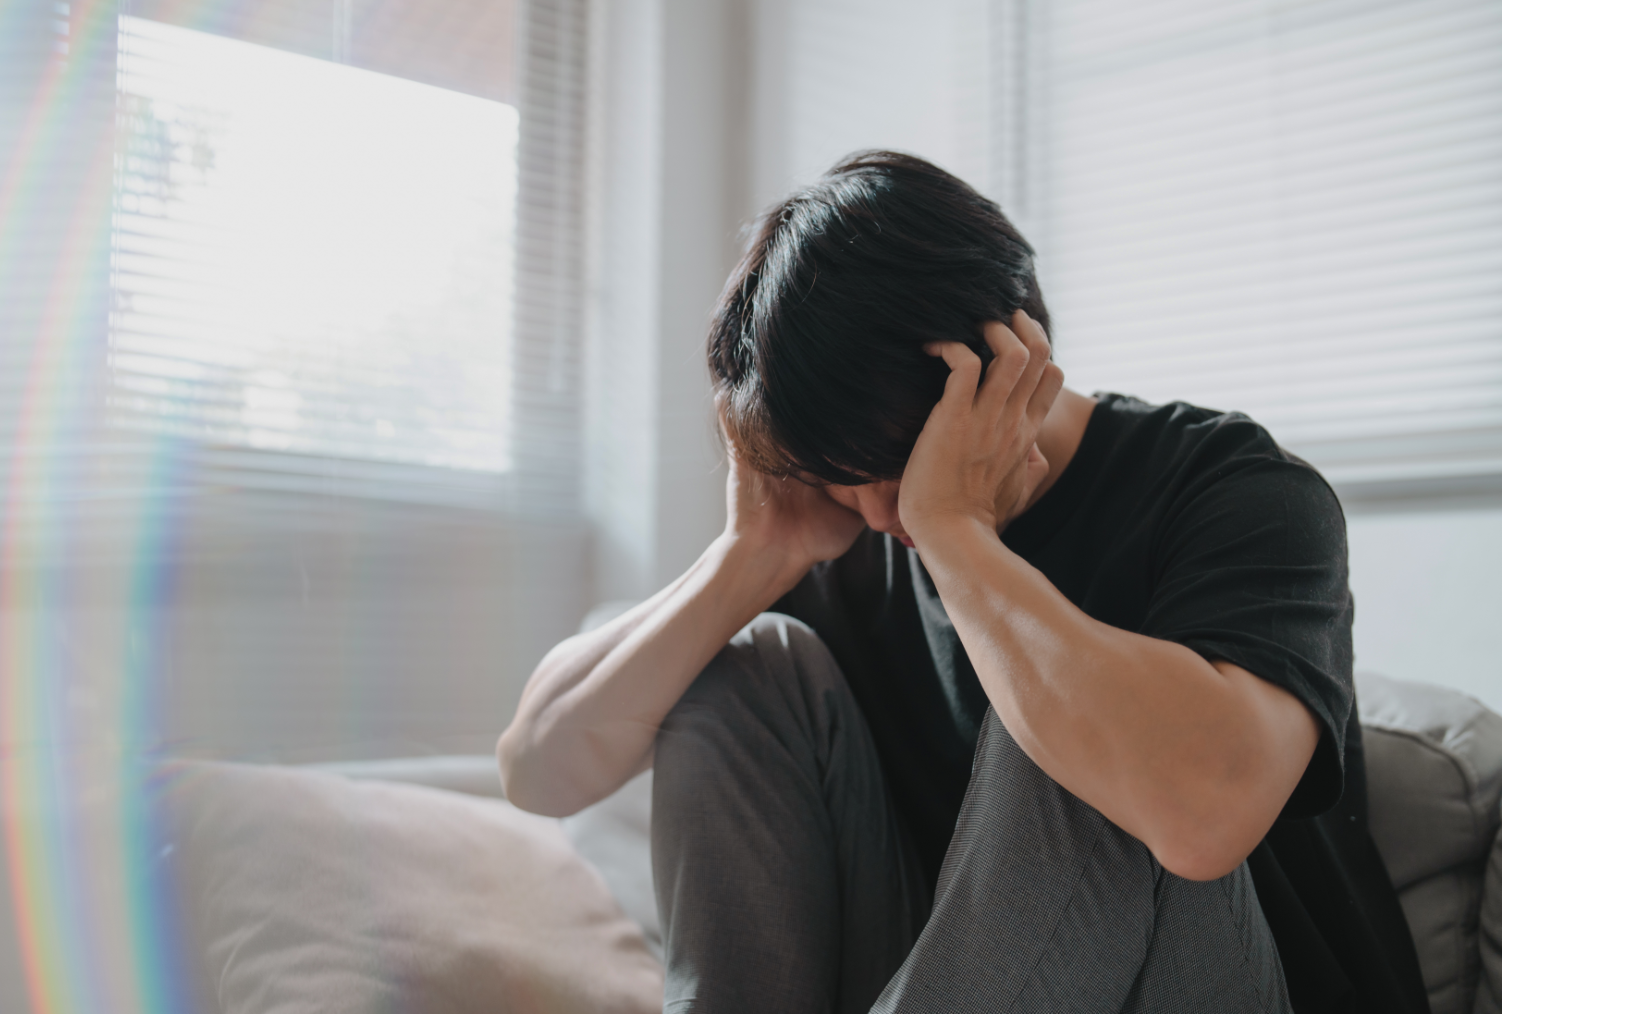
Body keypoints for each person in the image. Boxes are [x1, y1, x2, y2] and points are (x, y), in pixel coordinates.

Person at [497, 151, 1428, 1014]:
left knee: (1070, 717)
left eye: (894, 467)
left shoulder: (1236, 487)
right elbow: (538, 769)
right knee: (747, 661)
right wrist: (753, 553)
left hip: (1227, 981)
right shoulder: (844, 525)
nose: (873, 515)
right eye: (838, 474)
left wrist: (959, 530)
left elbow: (1204, 816)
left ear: (1008, 363)